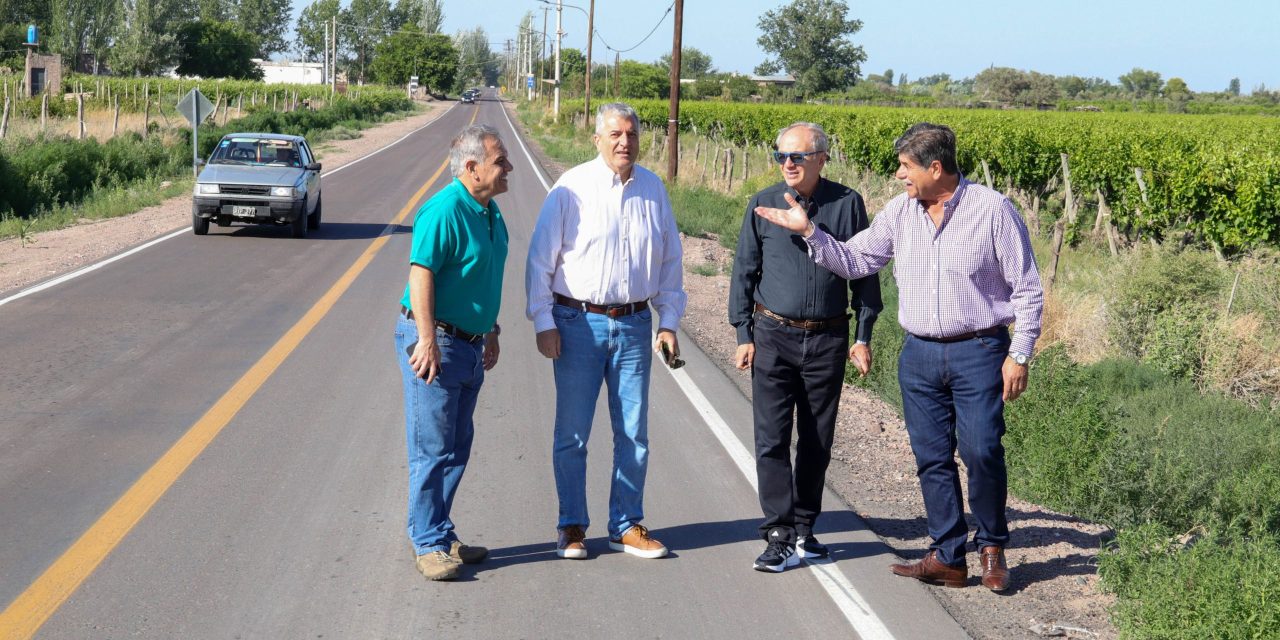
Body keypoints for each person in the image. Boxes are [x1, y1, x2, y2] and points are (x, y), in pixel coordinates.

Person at [754, 122, 1044, 591]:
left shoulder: (993, 211)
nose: (898, 175)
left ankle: (991, 546)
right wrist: (810, 231)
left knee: (982, 450)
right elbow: (855, 261)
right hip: (920, 354)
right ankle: (948, 555)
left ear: (935, 167)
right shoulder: (899, 212)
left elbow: (1027, 289)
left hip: (980, 349)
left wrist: (1020, 353)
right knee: (931, 458)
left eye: (905, 166)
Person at [525, 102, 686, 561]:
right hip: (577, 323)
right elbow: (541, 259)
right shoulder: (570, 188)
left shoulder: (654, 189)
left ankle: (626, 524)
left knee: (633, 432)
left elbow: (670, 263)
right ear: (597, 139)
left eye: (632, 134)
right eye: (615, 134)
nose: (624, 142)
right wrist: (543, 320)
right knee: (573, 433)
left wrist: (668, 322)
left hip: (635, 324)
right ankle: (571, 525)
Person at [729, 122, 882, 573]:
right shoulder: (763, 204)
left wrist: (863, 335)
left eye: (797, 156)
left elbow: (865, 271)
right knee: (771, 437)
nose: (788, 164)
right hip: (773, 334)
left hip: (828, 337)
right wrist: (743, 334)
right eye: (781, 157)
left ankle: (806, 526)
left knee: (817, 438)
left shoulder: (847, 204)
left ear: (821, 158)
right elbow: (744, 271)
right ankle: (778, 533)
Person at [395, 124, 512, 581]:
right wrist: (426, 340)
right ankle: (427, 543)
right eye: (500, 161)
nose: (508, 168)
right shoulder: (443, 210)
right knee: (432, 447)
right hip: (437, 341)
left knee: (458, 446)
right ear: (471, 167)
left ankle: (440, 533)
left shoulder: (489, 210)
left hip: (470, 341)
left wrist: (492, 329)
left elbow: (480, 277)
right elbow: (421, 274)